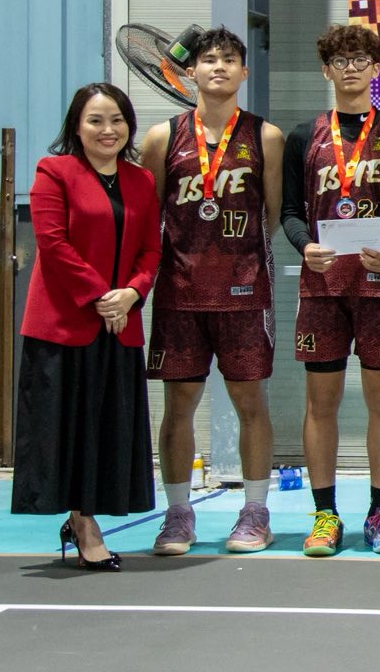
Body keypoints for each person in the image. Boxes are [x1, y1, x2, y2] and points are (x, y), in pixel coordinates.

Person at [141, 28, 284, 556]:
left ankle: (256, 511)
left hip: (244, 293)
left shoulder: (266, 136)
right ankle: (178, 514)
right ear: (192, 72)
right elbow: (149, 217)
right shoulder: (161, 138)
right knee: (178, 406)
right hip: (179, 294)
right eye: (208, 59)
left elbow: (270, 216)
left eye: (229, 60)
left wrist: (237, 261)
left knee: (251, 403)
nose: (218, 67)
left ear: (244, 72)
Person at [14, 83, 161, 570]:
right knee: (67, 430)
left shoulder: (140, 180)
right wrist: (101, 296)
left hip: (119, 326)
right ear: (77, 127)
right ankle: (82, 523)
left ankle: (86, 515)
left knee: (105, 430)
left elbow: (151, 250)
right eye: (96, 120)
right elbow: (53, 244)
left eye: (116, 120)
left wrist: (132, 293)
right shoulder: (53, 172)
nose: (107, 130)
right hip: (65, 325)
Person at [280, 24, 380, 558]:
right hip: (323, 286)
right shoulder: (302, 137)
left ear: (376, 68)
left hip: (379, 285)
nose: (351, 68)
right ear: (326, 70)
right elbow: (290, 211)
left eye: (360, 60)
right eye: (340, 61)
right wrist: (304, 246)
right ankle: (325, 514)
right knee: (321, 403)